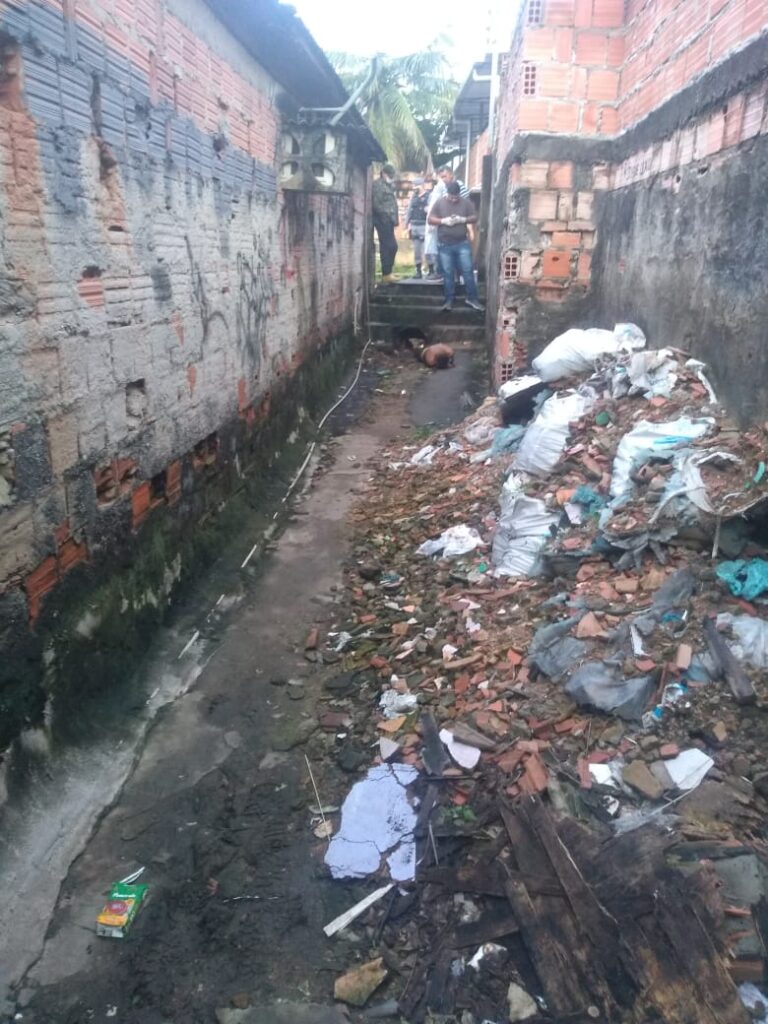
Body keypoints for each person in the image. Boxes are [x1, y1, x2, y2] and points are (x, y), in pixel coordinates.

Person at [428, 181, 484, 312]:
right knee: (448, 273)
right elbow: (430, 219)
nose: (453, 200)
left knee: (468, 271)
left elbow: (475, 217)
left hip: (462, 243)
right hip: (444, 244)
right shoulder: (440, 202)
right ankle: (449, 300)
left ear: (459, 195)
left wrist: (462, 219)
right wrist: (443, 221)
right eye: (451, 197)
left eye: (456, 197)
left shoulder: (466, 203)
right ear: (447, 193)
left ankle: (472, 298)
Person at [424, 166, 470, 278]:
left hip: (456, 225)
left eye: (445, 176)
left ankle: (455, 276)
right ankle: (442, 273)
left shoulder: (459, 186)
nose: (443, 179)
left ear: (451, 174)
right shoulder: (444, 187)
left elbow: (465, 205)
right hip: (445, 224)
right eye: (441, 177)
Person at [372, 163, 399, 284]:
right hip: (382, 220)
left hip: (389, 221)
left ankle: (387, 273)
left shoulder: (388, 186)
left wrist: (395, 220)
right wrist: (386, 216)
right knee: (390, 246)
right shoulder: (378, 186)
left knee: (390, 246)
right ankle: (386, 273)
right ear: (383, 173)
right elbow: (376, 205)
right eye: (390, 175)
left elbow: (392, 204)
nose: (391, 177)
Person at [403, 179, 432, 278]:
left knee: (427, 250)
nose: (414, 188)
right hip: (415, 226)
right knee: (417, 251)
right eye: (413, 186)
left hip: (425, 226)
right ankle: (418, 272)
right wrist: (406, 224)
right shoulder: (413, 197)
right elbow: (409, 211)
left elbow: (431, 209)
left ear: (421, 185)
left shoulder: (429, 196)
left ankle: (431, 271)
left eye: (416, 186)